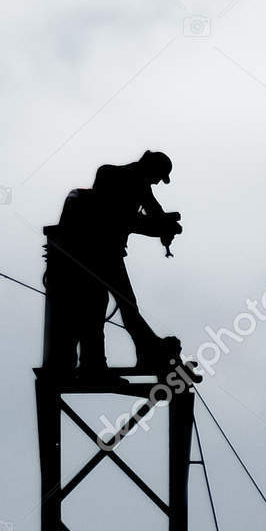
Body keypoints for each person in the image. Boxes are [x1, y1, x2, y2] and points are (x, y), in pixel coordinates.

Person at [41, 151, 181, 377]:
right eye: (157, 177)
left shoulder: (142, 187)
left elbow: (154, 215)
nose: (156, 182)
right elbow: (118, 218)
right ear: (148, 168)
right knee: (96, 305)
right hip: (91, 253)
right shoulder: (109, 174)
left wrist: (166, 226)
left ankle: (142, 351)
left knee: (124, 305)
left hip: (109, 253)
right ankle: (95, 364)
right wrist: (159, 226)